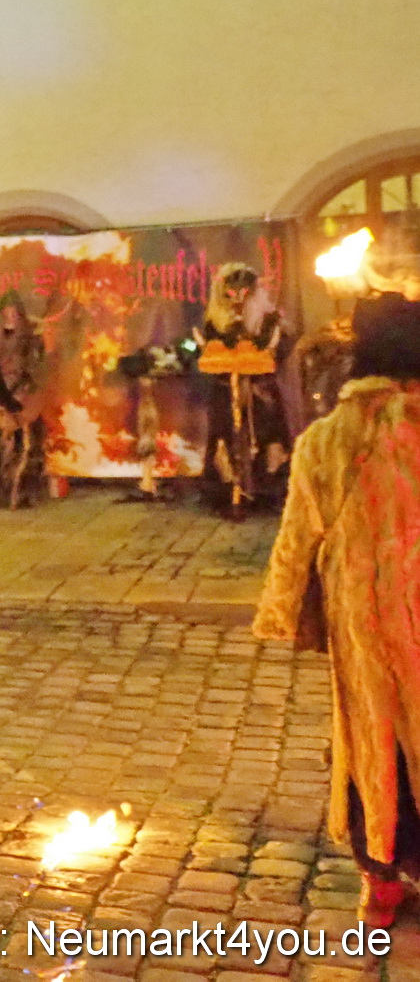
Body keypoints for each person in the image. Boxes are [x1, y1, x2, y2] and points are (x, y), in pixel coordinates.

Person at [255, 292, 420, 928]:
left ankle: (381, 882)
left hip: (364, 625)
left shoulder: (325, 439)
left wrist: (287, 615)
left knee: (373, 747)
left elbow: (300, 537)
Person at [195, 263, 290, 510]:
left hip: (259, 387)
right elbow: (211, 346)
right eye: (231, 293)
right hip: (226, 387)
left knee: (265, 433)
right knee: (225, 434)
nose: (238, 298)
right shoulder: (215, 319)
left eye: (244, 292)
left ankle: (266, 489)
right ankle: (228, 490)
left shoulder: (268, 318)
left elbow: (273, 347)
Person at [0, 291, 46, 510]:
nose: (11, 317)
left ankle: (22, 490)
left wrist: (25, 396)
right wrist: (4, 399)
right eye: (7, 312)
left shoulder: (31, 338)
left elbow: (37, 368)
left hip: (25, 392)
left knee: (30, 443)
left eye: (15, 313)